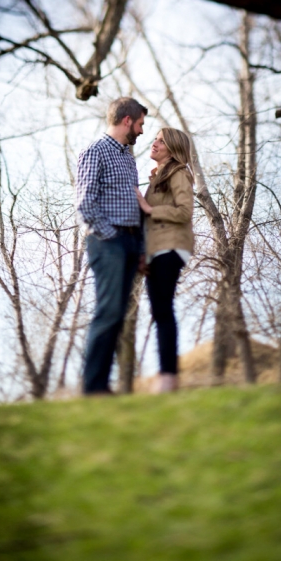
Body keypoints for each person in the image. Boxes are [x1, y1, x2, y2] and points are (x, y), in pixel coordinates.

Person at [77, 97, 148, 395]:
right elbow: (85, 204)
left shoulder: (127, 157)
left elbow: (135, 203)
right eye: (141, 124)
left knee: (118, 314)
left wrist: (139, 246)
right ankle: (93, 387)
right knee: (107, 312)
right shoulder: (95, 152)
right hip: (108, 242)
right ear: (127, 121)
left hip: (130, 241)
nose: (143, 131)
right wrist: (114, 238)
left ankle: (102, 386)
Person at [136, 128, 194, 393]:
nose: (155, 143)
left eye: (162, 141)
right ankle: (166, 374)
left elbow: (184, 212)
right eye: (155, 139)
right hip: (156, 250)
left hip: (171, 246)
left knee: (163, 310)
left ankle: (169, 376)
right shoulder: (156, 178)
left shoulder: (179, 172)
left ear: (173, 149)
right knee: (160, 311)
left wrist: (148, 208)